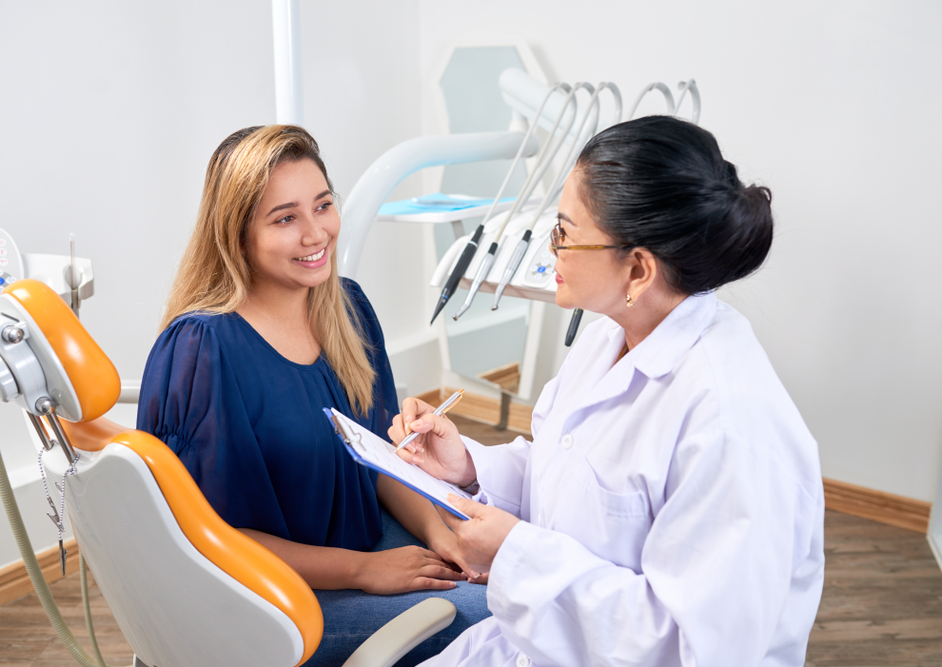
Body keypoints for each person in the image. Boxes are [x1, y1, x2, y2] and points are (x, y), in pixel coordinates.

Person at [390, 116, 825, 667]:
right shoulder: (609, 340)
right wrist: (469, 467)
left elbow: (693, 649)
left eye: (565, 234)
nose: (552, 251)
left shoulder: (729, 426)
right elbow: (572, 476)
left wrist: (517, 557)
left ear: (638, 270)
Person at [137, 125, 489, 666]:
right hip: (268, 598)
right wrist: (363, 572)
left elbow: (375, 461)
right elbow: (199, 540)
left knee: (518, 580)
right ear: (237, 235)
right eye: (285, 218)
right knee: (499, 617)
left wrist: (440, 533)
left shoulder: (346, 309)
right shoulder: (203, 347)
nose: (316, 233)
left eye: (323, 206)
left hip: (365, 545)